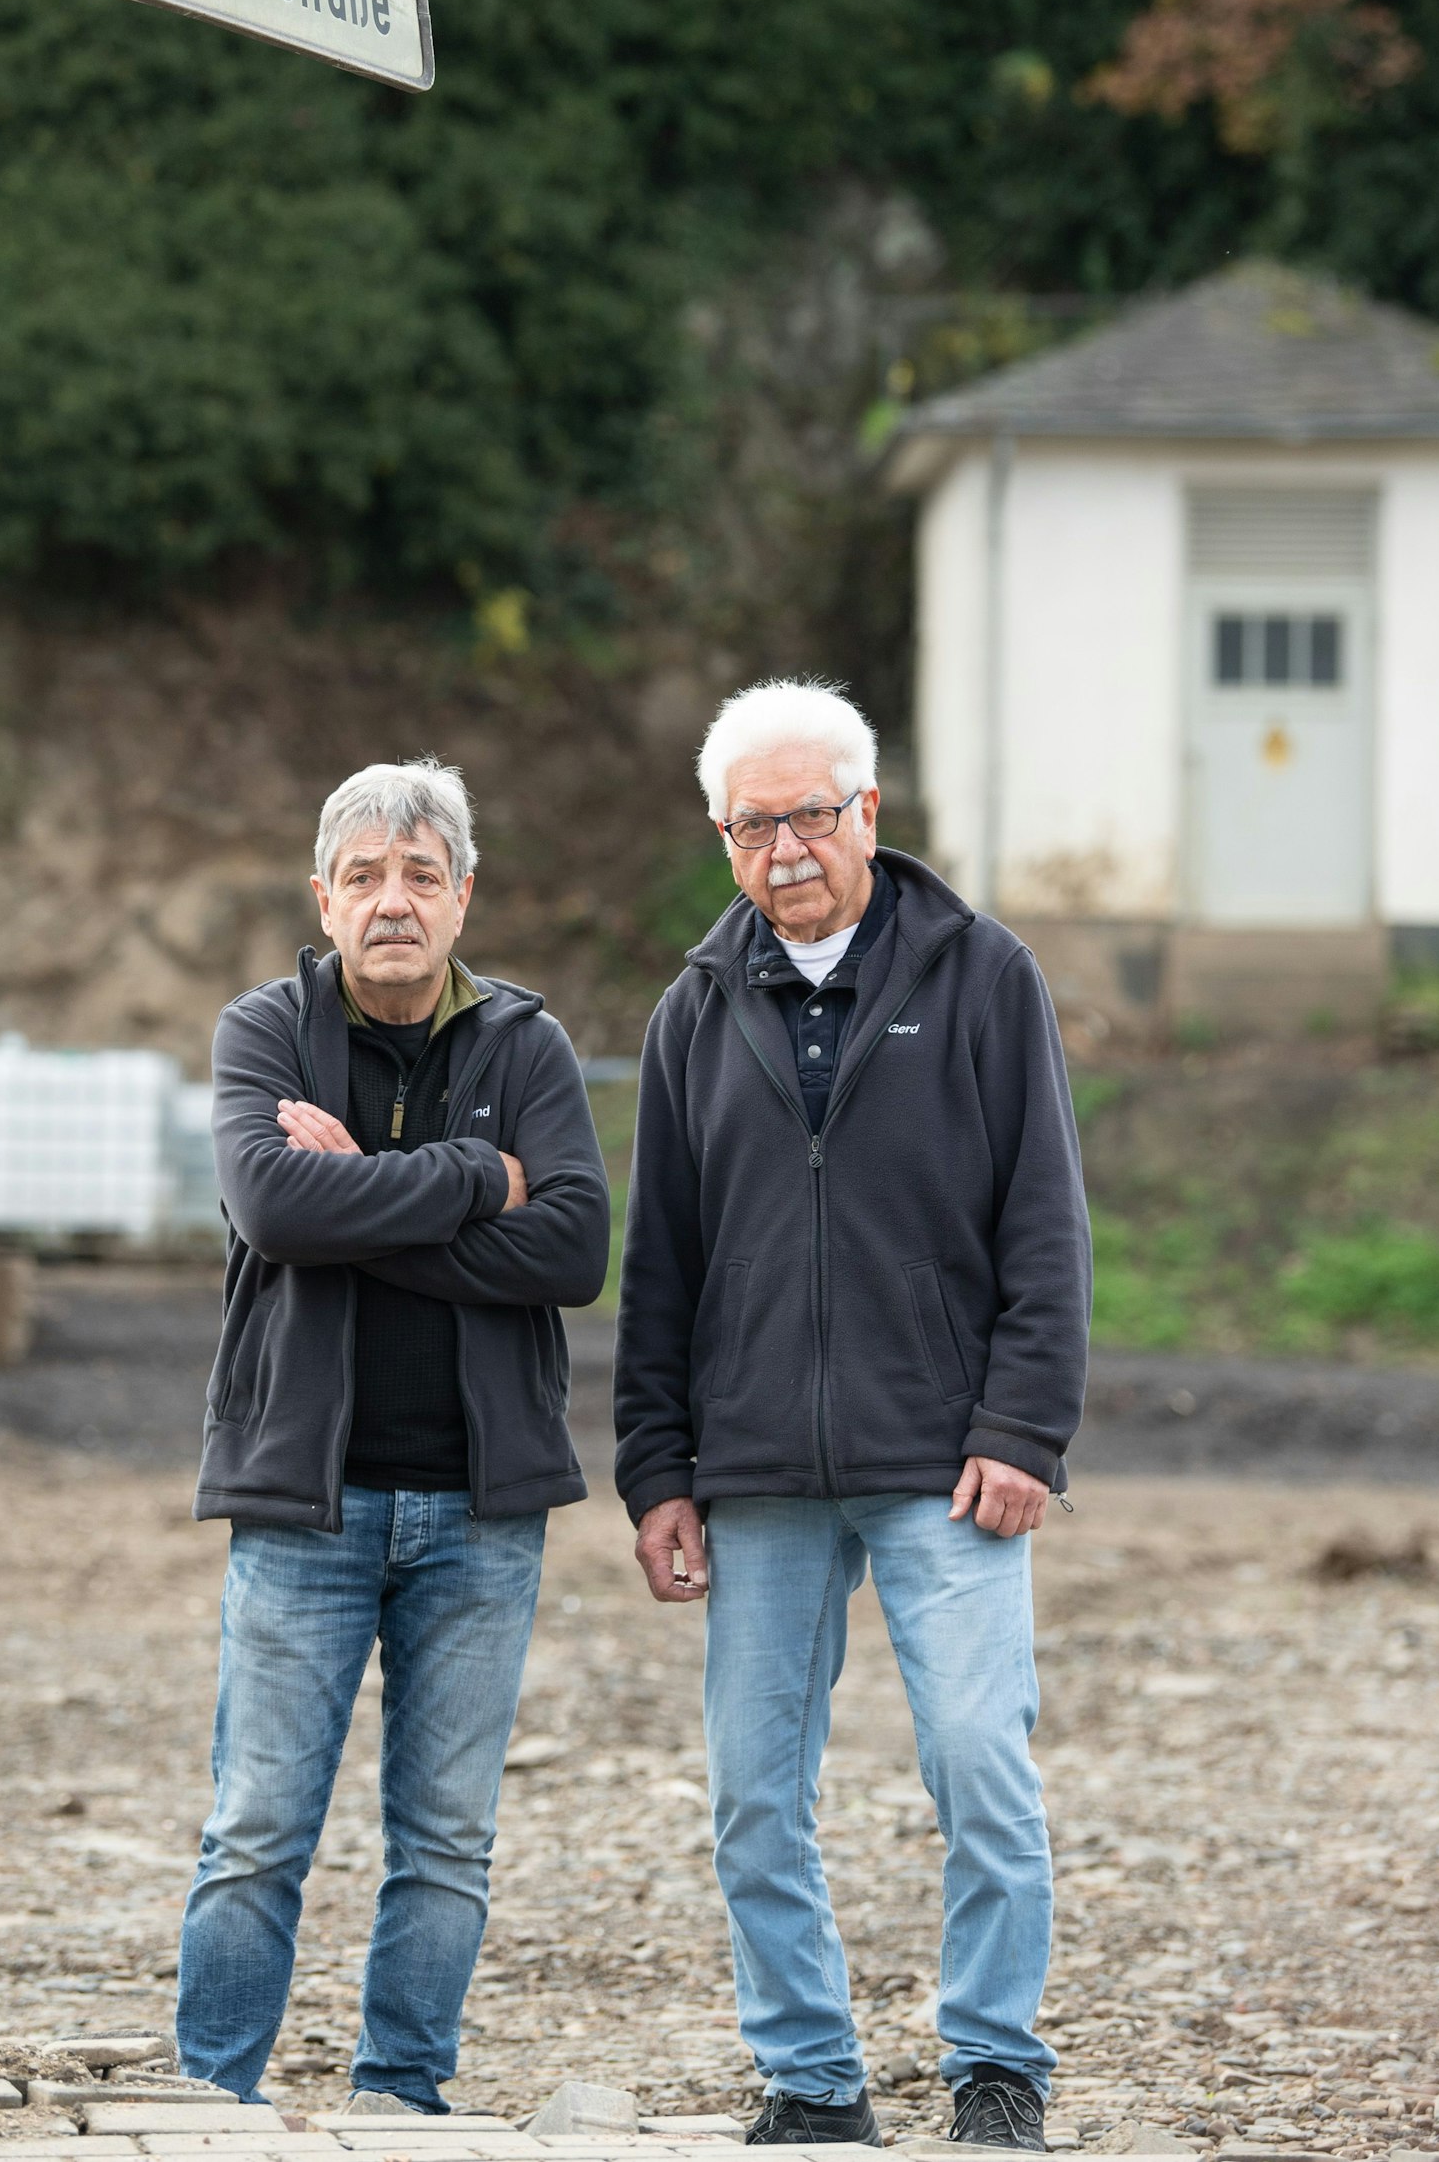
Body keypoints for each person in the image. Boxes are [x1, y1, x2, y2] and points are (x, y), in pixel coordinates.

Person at [614, 679, 1090, 2152]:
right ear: (724, 837)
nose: (787, 847)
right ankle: (813, 2079)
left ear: (868, 812)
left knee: (976, 1762)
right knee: (755, 1798)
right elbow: (663, 1263)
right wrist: (654, 1472)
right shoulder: (693, 1011)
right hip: (753, 1473)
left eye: (813, 815)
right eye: (755, 825)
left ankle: (996, 2062)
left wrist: (1024, 1429)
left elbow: (1046, 1224)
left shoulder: (984, 974)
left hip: (945, 1462)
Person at [178, 757, 610, 2112]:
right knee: (255, 1832)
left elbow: (578, 1247)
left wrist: (362, 1190)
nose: (393, 901)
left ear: (464, 897)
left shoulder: (526, 1045)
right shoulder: (262, 1032)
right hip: (305, 1501)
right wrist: (476, 1182)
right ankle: (210, 2102)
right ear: (324, 897)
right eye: (364, 876)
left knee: (447, 1840)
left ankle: (401, 2100)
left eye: (421, 875)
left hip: (483, 1511)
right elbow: (276, 1212)